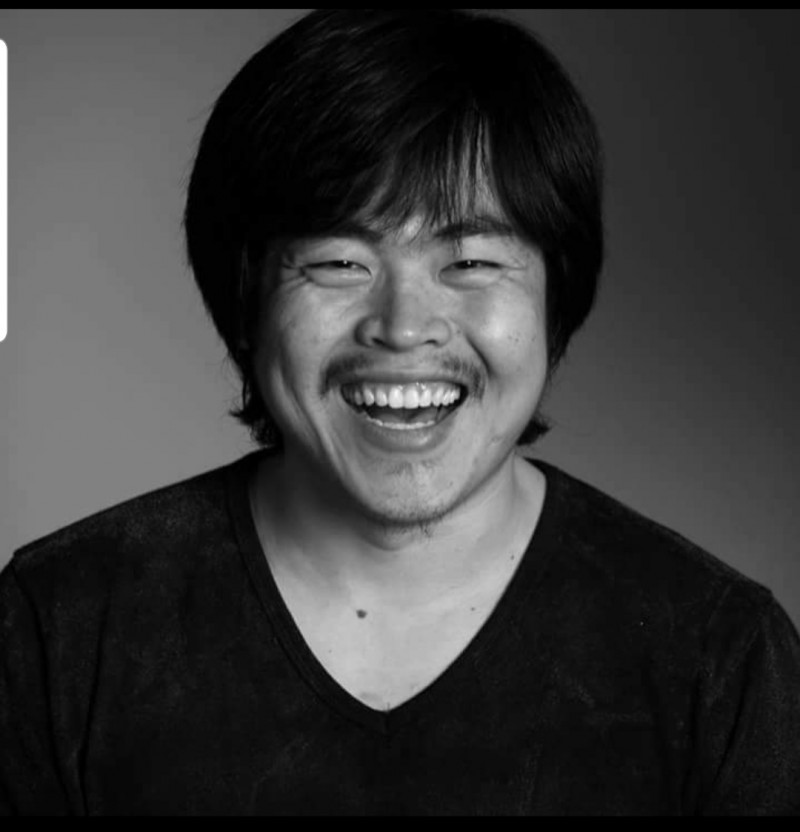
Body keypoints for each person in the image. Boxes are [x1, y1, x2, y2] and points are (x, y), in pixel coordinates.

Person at [1, 8, 799, 816]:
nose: (405, 325)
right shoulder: (59, 625)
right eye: (339, 261)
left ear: (556, 295)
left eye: (472, 260)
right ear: (248, 296)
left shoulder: (718, 656)